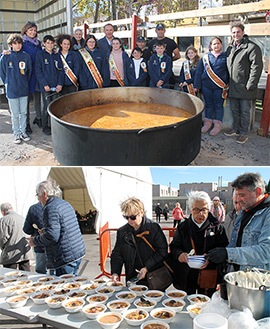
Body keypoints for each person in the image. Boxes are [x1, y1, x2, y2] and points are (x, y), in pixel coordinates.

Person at [207, 173, 270, 271]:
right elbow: (235, 244)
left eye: (242, 195)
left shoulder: (267, 214)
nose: (238, 199)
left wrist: (228, 254)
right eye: (237, 195)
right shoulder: (245, 212)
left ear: (258, 192)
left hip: (257, 281)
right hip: (237, 276)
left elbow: (266, 251)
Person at [169, 191, 228, 295]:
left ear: (209, 209)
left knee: (206, 304)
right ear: (191, 209)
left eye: (204, 209)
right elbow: (174, 247)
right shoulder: (183, 227)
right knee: (186, 303)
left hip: (208, 275)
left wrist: (210, 258)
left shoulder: (217, 227)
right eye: (196, 210)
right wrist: (179, 255)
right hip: (186, 275)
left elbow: (224, 249)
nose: (201, 213)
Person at [27, 180, 86, 276]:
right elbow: (62, 228)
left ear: (44, 194)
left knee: (64, 287)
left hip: (65, 256)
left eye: (38, 195)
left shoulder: (50, 207)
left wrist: (35, 241)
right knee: (72, 282)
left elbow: (52, 236)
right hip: (77, 251)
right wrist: (46, 232)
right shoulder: (64, 203)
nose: (38, 199)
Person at [110, 197, 168, 285]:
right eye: (126, 217)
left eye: (133, 217)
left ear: (141, 213)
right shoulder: (122, 231)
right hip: (132, 278)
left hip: (153, 277)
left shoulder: (153, 228)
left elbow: (162, 251)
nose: (129, 220)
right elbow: (117, 255)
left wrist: (146, 268)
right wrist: (115, 273)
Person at [224, 21, 263, 144]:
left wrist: (251, 83)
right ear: (231, 33)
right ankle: (235, 129)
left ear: (243, 32)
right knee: (234, 110)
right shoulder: (230, 47)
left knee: (245, 111)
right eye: (234, 32)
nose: (236, 34)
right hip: (233, 85)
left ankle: (244, 133)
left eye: (238, 32)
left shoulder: (251, 47)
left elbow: (256, 67)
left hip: (245, 86)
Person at [0, 33, 32, 144]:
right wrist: (8, 83)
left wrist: (24, 83)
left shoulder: (26, 56)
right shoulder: (5, 57)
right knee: (14, 114)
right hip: (12, 90)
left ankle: (23, 131)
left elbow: (29, 72)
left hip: (23, 89)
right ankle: (16, 133)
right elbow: (3, 74)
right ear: (10, 45)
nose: (17, 46)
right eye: (15, 43)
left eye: (19, 43)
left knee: (23, 112)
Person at [194, 37, 229, 136]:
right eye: (214, 44)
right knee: (208, 104)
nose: (216, 45)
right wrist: (197, 85)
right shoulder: (206, 57)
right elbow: (199, 72)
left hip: (220, 87)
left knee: (218, 105)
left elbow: (229, 72)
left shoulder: (225, 57)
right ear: (210, 46)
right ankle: (207, 123)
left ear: (221, 45)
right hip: (207, 86)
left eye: (218, 43)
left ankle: (217, 125)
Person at [35, 35, 64, 135]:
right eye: (48, 43)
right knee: (46, 106)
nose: (50, 45)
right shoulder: (40, 54)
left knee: (55, 106)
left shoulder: (56, 55)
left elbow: (61, 71)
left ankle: (55, 126)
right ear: (44, 44)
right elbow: (38, 71)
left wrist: (60, 84)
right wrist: (44, 84)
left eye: (52, 43)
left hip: (56, 86)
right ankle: (45, 126)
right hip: (46, 87)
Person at [21, 21, 42, 132]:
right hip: (26, 76)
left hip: (37, 76)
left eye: (34, 30)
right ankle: (26, 123)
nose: (33, 32)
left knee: (38, 99)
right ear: (26, 30)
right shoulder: (22, 43)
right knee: (26, 102)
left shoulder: (38, 44)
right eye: (30, 30)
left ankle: (38, 118)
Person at [0, 202, 33, 271]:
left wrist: (3, 248)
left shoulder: (4, 220)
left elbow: (3, 238)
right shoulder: (22, 218)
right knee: (26, 275)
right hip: (24, 251)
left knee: (10, 276)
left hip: (11, 252)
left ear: (3, 212)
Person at [148, 23, 180, 88]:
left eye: (162, 30)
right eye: (158, 30)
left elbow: (178, 55)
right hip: (154, 76)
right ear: (156, 31)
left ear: (164, 31)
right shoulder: (151, 43)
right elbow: (150, 56)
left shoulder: (171, 42)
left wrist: (168, 61)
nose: (160, 31)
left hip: (166, 75)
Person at [23, 202, 47, 274]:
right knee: (56, 272)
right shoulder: (60, 205)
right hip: (56, 246)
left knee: (41, 273)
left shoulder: (33, 208)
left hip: (40, 245)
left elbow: (27, 230)